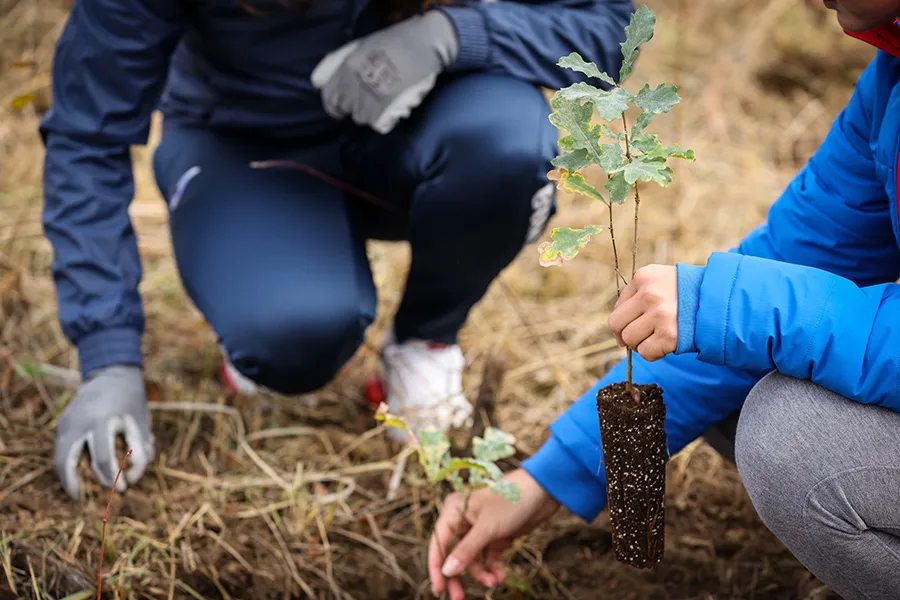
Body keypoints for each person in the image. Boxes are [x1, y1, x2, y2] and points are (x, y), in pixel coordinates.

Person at [39, 0, 635, 501]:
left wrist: (453, 36)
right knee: (292, 336)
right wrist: (108, 355)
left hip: (417, 124)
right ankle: (274, 288)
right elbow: (86, 133)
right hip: (246, 146)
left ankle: (424, 341)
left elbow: (607, 27)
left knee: (509, 145)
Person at [428, 4, 900, 600]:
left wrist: (738, 309)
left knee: (792, 439)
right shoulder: (890, 82)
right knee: (731, 369)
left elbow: (763, 301)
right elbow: (800, 258)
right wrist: (545, 479)